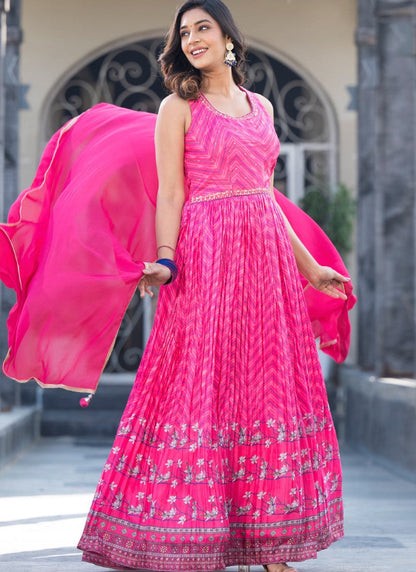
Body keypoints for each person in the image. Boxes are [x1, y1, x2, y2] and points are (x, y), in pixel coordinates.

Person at [0, 0, 355, 570]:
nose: (192, 39)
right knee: (199, 385)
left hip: (264, 260)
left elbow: (266, 195)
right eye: (184, 32)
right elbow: (171, 192)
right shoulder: (178, 106)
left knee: (265, 387)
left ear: (227, 38)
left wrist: (309, 268)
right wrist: (164, 260)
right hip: (206, 254)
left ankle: (271, 545)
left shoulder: (261, 107)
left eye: (202, 28)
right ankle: (191, 536)